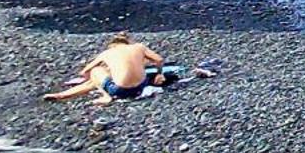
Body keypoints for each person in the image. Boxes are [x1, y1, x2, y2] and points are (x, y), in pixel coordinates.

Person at [42, 33, 213, 104]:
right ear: (127, 42)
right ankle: (61, 96)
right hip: (141, 87)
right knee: (99, 79)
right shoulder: (138, 47)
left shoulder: (107, 53)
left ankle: (105, 96)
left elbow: (84, 72)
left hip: (119, 90)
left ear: (113, 45)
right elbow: (159, 59)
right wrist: (160, 74)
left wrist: (96, 76)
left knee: (95, 75)